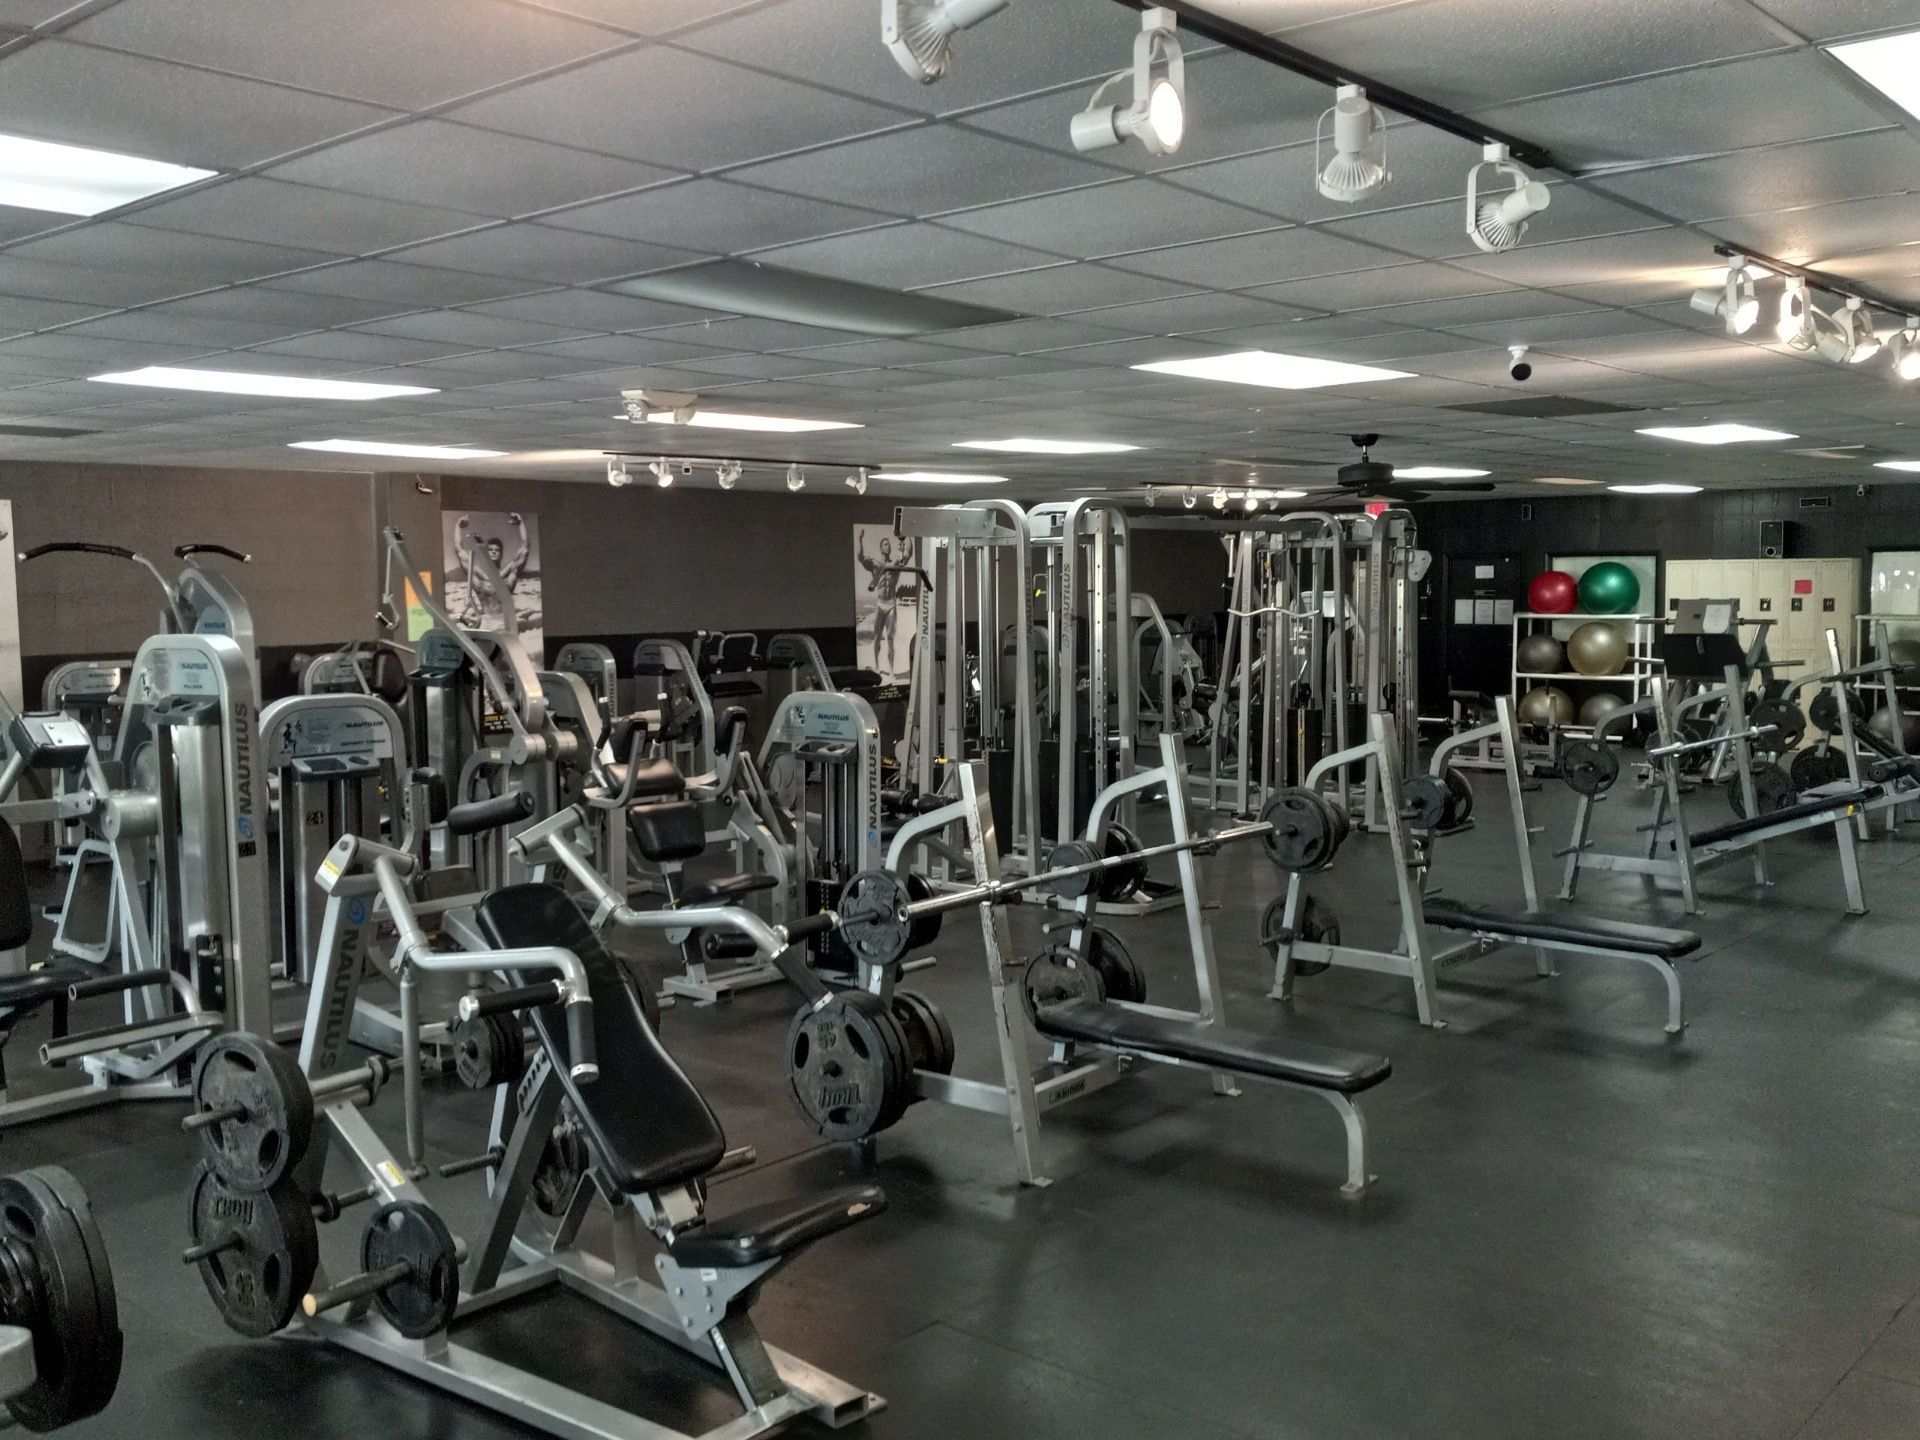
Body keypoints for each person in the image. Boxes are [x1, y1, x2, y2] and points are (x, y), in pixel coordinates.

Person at [456, 513, 529, 630]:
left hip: (505, 623)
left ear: (501, 554)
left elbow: (524, 550)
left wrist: (521, 524)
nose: (494, 551)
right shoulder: (478, 575)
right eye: (490, 549)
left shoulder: (509, 572)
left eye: (497, 550)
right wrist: (458, 526)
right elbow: (460, 552)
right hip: (485, 623)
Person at [857, 531, 907, 676]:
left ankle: (891, 670)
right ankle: (877, 667)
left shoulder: (894, 564)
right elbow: (860, 557)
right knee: (877, 637)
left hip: (891, 604)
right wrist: (859, 540)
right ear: (881, 548)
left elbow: (904, 557)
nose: (888, 546)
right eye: (885, 544)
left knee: (890, 638)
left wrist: (904, 544)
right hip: (880, 604)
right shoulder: (875, 564)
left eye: (889, 545)